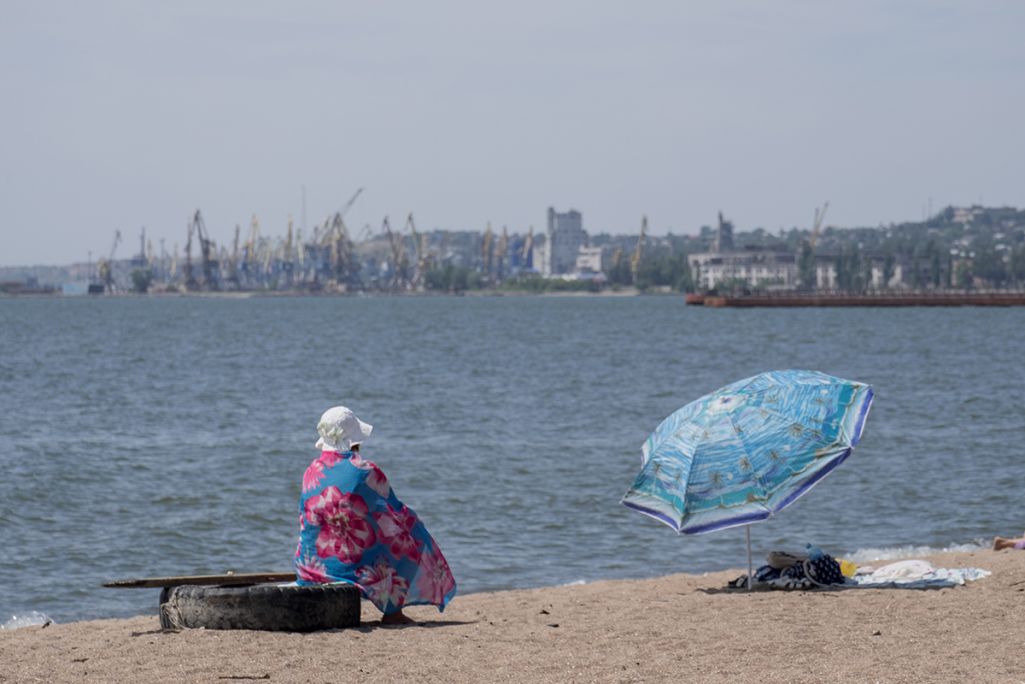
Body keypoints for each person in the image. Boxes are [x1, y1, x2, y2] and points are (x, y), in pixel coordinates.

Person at [295, 406, 457, 624]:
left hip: (309, 566)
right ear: (354, 439)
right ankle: (393, 612)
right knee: (408, 530)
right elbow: (393, 509)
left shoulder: (311, 470)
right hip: (349, 567)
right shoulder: (363, 470)